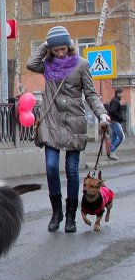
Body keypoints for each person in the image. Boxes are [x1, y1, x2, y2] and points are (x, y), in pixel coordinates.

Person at [27, 25, 110, 233]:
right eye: (56, 50)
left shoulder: (81, 65)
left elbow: (90, 94)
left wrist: (101, 114)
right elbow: (31, 63)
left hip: (74, 123)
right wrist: (46, 44)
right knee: (52, 167)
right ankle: (57, 213)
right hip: (52, 121)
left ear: (70, 46)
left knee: (72, 171)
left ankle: (72, 216)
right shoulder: (47, 65)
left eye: (63, 49)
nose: (60, 53)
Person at [106, 88, 124, 160]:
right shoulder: (115, 101)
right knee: (121, 137)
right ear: (118, 93)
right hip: (114, 121)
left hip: (113, 121)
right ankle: (111, 150)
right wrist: (119, 117)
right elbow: (112, 110)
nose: (123, 94)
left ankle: (112, 153)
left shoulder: (115, 100)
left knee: (115, 136)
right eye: (122, 93)